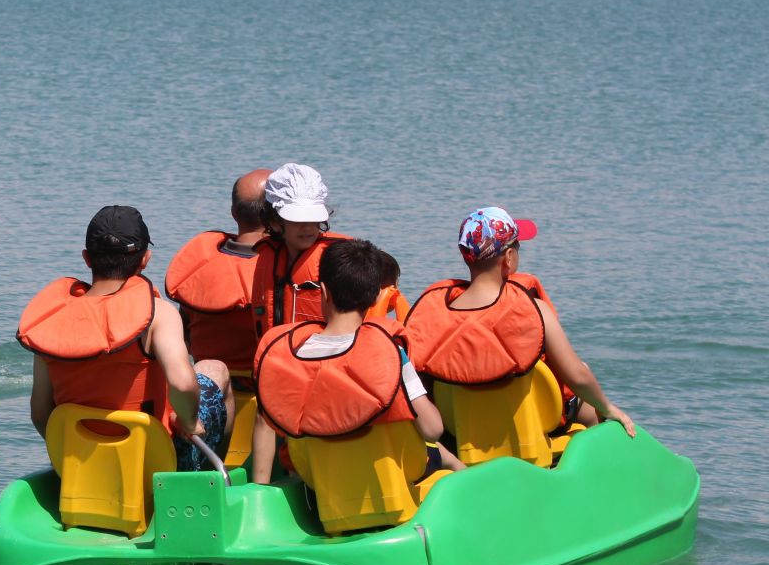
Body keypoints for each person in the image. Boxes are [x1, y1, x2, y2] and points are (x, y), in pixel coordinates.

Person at [22, 206, 234, 472]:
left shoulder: (50, 322)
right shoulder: (158, 314)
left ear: (87, 258)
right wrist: (189, 422)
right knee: (215, 369)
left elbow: (40, 413)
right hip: (154, 462)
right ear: (145, 258)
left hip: (83, 462)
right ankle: (209, 480)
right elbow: (181, 384)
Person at [402, 207, 635, 436]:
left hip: (461, 432)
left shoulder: (436, 318)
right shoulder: (535, 311)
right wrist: (608, 407)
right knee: (588, 394)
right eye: (518, 247)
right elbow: (576, 376)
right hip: (529, 431)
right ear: (509, 258)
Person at [250, 239, 462, 486]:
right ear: (375, 299)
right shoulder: (391, 352)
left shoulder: (289, 355)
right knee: (446, 456)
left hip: (318, 479)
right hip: (388, 483)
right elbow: (432, 429)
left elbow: (265, 422)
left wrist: (260, 490)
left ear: (324, 291)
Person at [250, 162, 407, 341]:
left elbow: (388, 271)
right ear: (276, 222)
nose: (308, 227)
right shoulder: (268, 255)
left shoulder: (345, 256)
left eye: (313, 218)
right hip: (279, 357)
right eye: (298, 219)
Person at [163, 168, 270, 389]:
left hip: (210, 391)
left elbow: (185, 338)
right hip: (269, 396)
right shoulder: (289, 270)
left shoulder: (197, 269)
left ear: (233, 212)